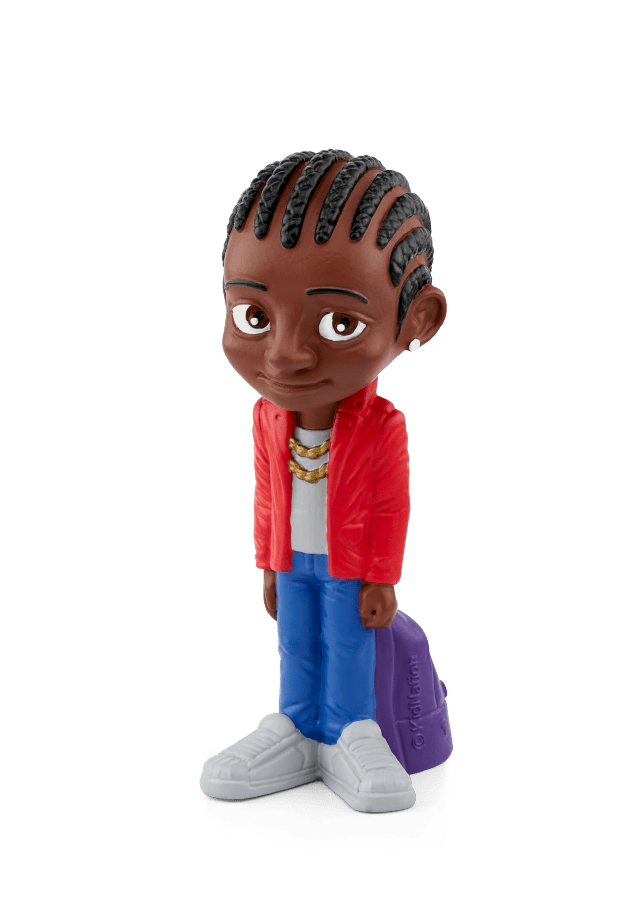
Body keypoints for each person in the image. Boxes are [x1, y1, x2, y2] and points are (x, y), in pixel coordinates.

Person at [198, 150, 447, 813]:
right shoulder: (266, 418)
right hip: (292, 559)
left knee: (346, 642)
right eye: (253, 316)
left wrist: (381, 577)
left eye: (341, 324)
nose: (285, 356)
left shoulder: (380, 427)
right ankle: (295, 724)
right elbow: (265, 493)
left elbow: (391, 506)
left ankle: (349, 731)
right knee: (296, 643)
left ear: (418, 321)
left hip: (349, 564)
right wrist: (267, 562)